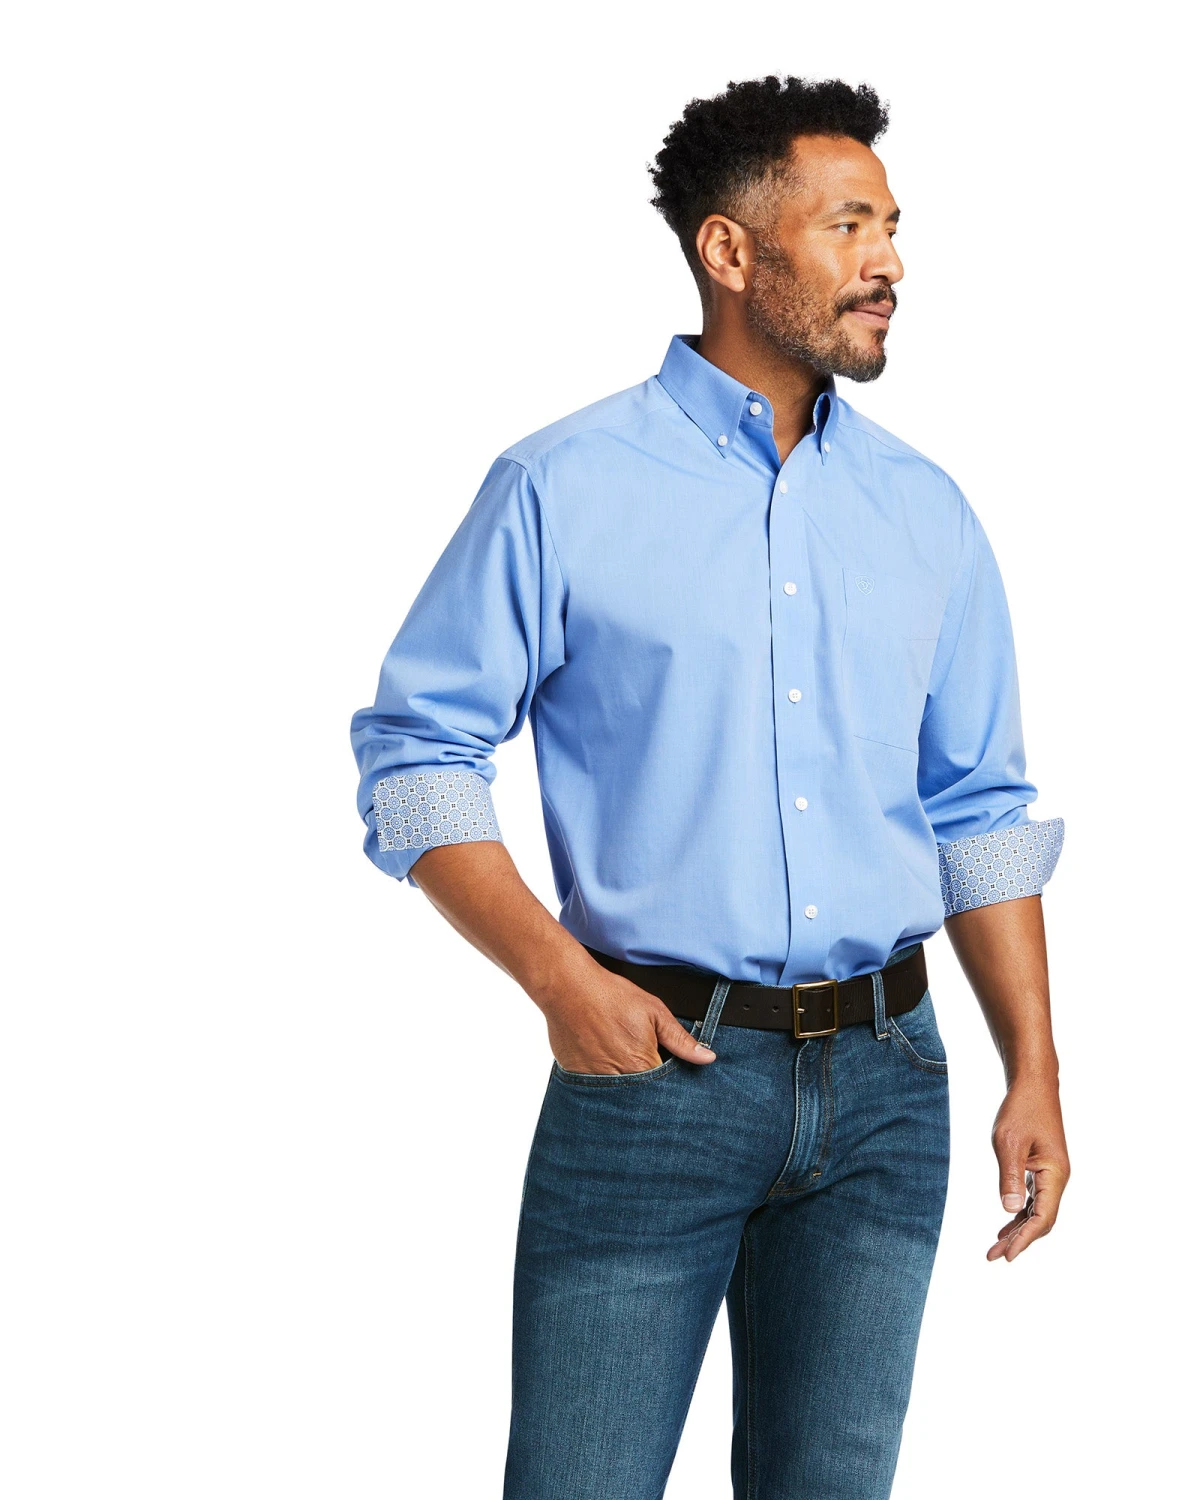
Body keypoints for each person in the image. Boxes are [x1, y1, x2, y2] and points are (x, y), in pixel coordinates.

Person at [350, 74, 1070, 1500]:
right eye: (849, 225)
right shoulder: (561, 484)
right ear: (730, 251)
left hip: (889, 1087)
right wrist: (560, 982)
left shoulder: (926, 509)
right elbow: (418, 755)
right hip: (653, 1074)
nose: (889, 261)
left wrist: (1032, 1067)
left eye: (892, 226)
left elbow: (978, 809)